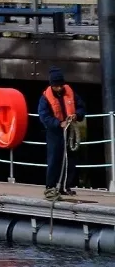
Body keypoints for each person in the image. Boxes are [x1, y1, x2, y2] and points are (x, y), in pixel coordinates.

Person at [37, 67, 80, 199]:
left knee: (70, 160)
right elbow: (44, 116)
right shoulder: (45, 98)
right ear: (52, 85)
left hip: (69, 131)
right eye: (56, 86)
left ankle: (65, 186)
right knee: (54, 159)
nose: (60, 88)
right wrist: (58, 123)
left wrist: (77, 115)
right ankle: (50, 187)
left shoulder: (71, 93)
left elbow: (80, 106)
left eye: (61, 85)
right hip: (55, 133)